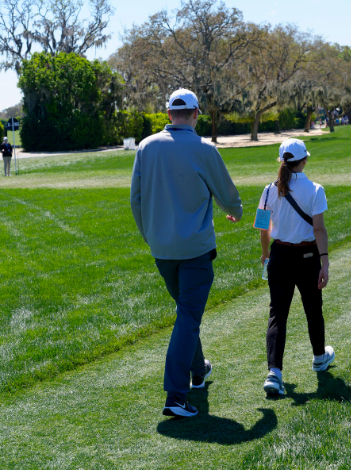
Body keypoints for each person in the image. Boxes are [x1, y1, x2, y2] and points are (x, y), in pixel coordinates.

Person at [130, 88, 244, 418]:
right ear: (196, 114)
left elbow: (135, 201)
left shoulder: (146, 147)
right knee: (188, 318)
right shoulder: (204, 148)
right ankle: (175, 396)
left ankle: (199, 371)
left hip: (162, 250)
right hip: (195, 250)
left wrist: (151, 236)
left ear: (169, 115)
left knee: (186, 314)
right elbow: (227, 194)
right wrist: (235, 210)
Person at [255, 138, 333, 396]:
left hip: (279, 255)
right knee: (313, 310)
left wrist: (266, 255)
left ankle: (274, 373)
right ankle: (319, 358)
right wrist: (325, 262)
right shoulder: (315, 189)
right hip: (307, 255)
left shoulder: (268, 190)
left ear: (281, 161)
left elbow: (263, 229)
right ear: (304, 160)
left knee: (278, 314)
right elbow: (318, 229)